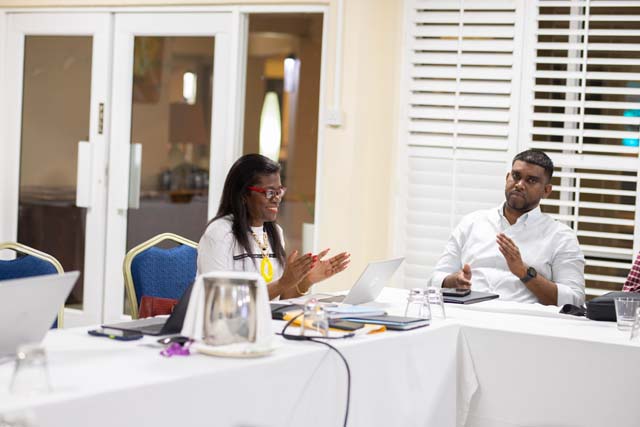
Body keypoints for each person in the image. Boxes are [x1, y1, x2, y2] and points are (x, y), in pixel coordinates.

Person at [429, 149, 585, 306]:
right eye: (516, 176)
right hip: (466, 314)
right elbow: (435, 280)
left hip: (522, 318)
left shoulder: (561, 236)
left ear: (546, 191)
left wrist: (524, 272)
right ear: (507, 178)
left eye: (531, 180)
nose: (519, 185)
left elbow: (574, 299)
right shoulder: (472, 222)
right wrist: (453, 281)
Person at [197, 154, 350, 300]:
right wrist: (282, 283)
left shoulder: (274, 232)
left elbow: (280, 298)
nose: (277, 199)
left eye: (279, 191)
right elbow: (220, 299)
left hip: (270, 318)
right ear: (243, 195)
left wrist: (307, 280)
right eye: (269, 192)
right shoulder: (220, 234)